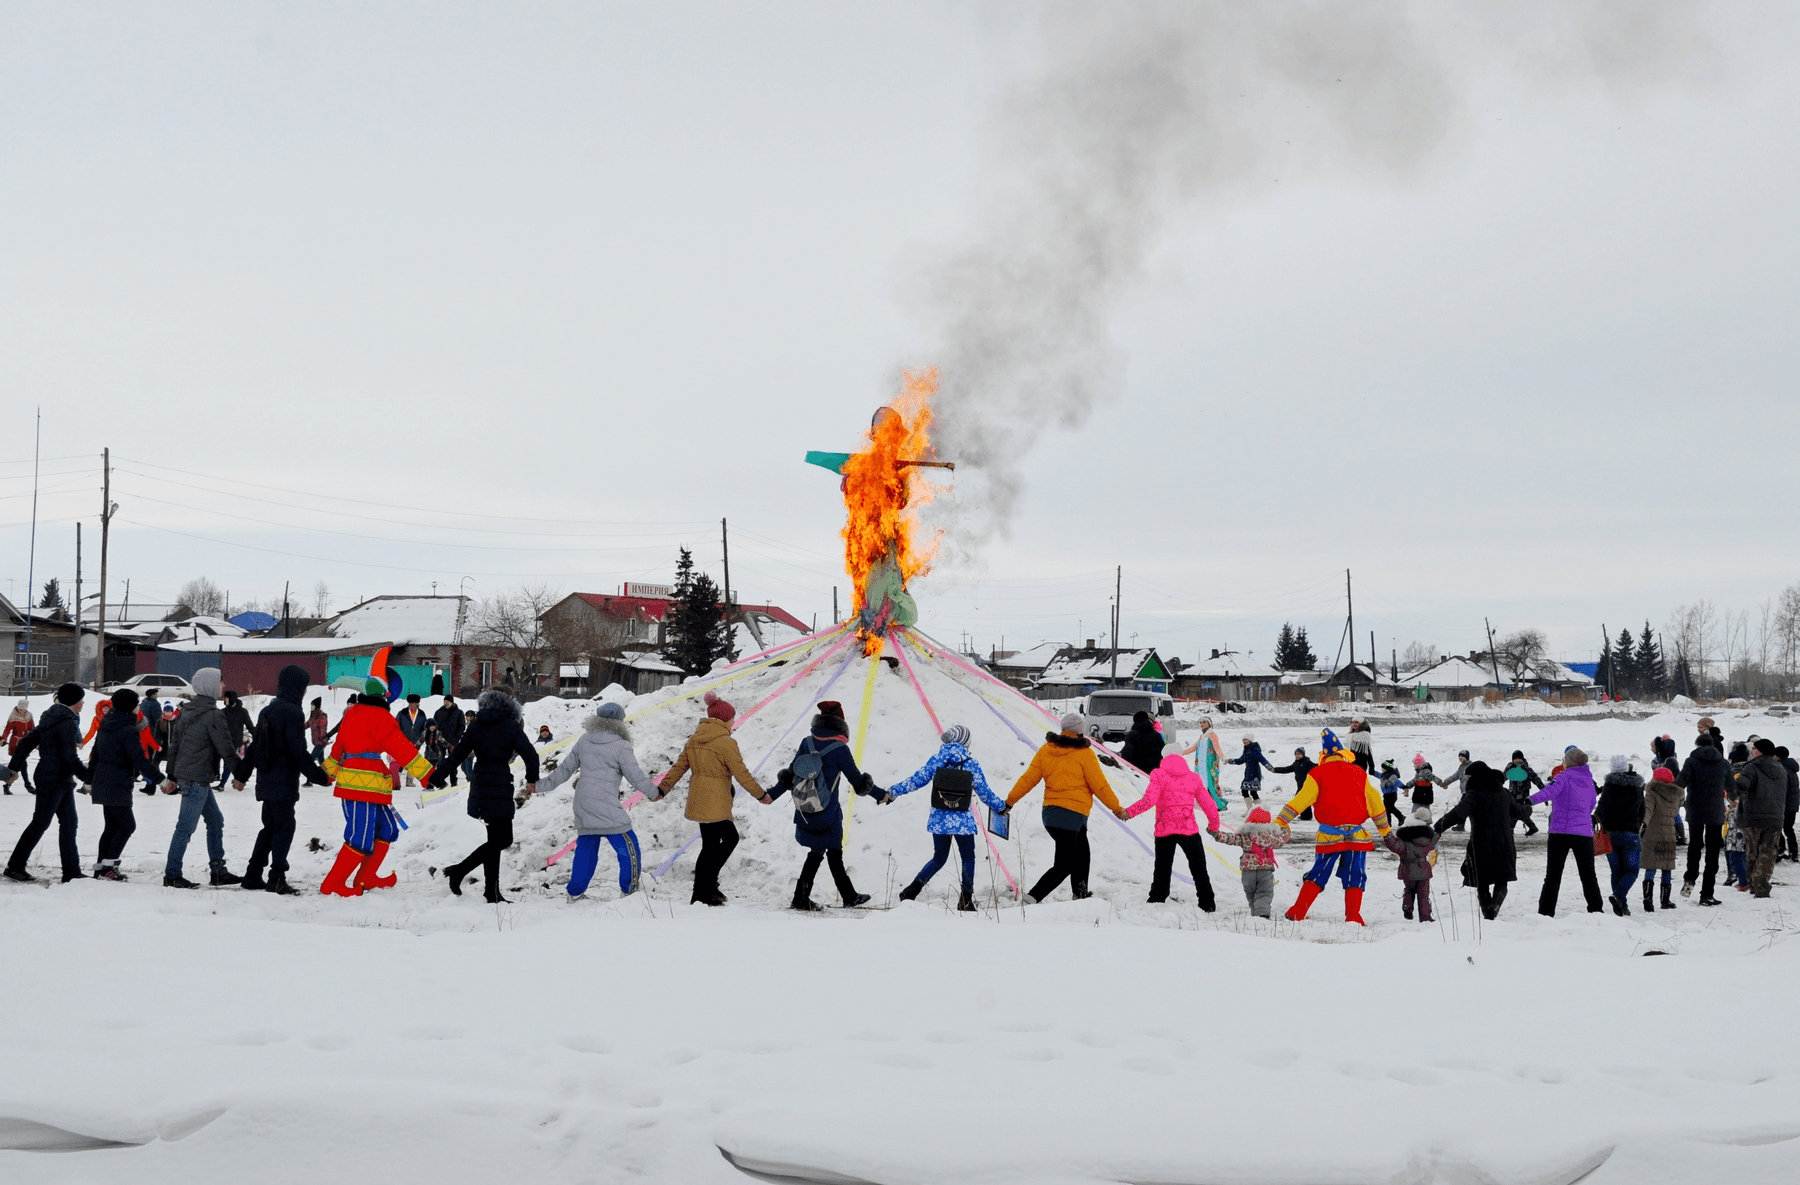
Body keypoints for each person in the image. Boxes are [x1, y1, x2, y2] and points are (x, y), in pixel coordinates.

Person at [320, 676, 435, 897]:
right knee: (360, 836)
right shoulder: (381, 717)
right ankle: (333, 883)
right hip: (359, 786)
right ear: (382, 696)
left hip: (371, 785)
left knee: (387, 828)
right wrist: (428, 774)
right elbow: (402, 749)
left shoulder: (351, 713)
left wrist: (328, 773)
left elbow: (338, 748)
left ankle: (366, 877)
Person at [653, 692, 769, 906]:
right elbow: (741, 773)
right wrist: (761, 795)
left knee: (710, 844)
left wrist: (663, 789)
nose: (733, 721)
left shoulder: (694, 739)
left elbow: (679, 767)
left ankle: (705, 889)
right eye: (732, 718)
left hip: (699, 798)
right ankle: (703, 890)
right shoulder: (726, 742)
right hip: (716, 800)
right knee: (727, 840)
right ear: (725, 719)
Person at [429, 687, 539, 904]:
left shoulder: (477, 724)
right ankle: (459, 871)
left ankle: (492, 892)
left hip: (480, 783)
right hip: (499, 782)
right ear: (509, 702)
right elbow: (530, 754)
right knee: (503, 839)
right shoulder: (511, 726)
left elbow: (458, 753)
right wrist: (531, 779)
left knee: (495, 840)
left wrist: (437, 776)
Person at [884, 724, 1009, 911]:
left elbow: (916, 779)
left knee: (939, 858)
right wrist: (1001, 807)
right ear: (965, 742)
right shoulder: (971, 763)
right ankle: (965, 900)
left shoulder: (937, 760)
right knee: (968, 857)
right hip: (962, 822)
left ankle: (911, 891)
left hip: (940, 818)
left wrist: (893, 792)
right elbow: (985, 794)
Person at [538, 702, 654, 900]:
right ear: (619, 722)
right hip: (606, 803)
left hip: (583, 802)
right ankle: (630, 892)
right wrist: (654, 792)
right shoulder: (622, 745)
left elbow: (564, 770)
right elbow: (635, 776)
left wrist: (538, 786)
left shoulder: (584, 740)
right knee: (628, 846)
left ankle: (574, 893)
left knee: (587, 847)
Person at [770, 701, 879, 910]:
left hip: (807, 807)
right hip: (827, 810)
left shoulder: (806, 743)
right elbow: (858, 782)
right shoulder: (840, 749)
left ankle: (845, 895)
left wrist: (771, 795)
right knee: (824, 851)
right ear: (840, 723)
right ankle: (807, 898)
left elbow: (791, 774)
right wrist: (881, 795)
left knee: (827, 850)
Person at [1005, 712, 1125, 903]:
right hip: (1072, 815)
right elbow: (1100, 785)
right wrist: (1117, 808)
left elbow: (1028, 779)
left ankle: (1080, 894)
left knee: (1082, 853)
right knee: (1064, 865)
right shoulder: (1084, 753)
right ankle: (1032, 898)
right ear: (1080, 730)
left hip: (1051, 815)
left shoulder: (1046, 750)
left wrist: (1010, 801)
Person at [232, 665, 330, 895]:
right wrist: (319, 776)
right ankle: (277, 877)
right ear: (298, 687)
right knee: (284, 828)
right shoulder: (293, 712)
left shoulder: (268, 709)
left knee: (269, 828)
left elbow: (255, 746)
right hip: (283, 781)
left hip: (266, 780)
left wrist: (242, 775)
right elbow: (297, 751)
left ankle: (253, 875)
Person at [1276, 730, 1392, 924]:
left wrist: (1280, 821)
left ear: (1324, 755)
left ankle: (1297, 911)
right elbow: (1376, 805)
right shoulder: (1359, 773)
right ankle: (1353, 916)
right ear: (1343, 754)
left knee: (1318, 873)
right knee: (1356, 874)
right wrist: (1386, 832)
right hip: (1357, 837)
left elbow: (1300, 801)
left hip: (1329, 836)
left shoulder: (1317, 774)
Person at [161, 668, 246, 890]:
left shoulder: (188, 710)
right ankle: (172, 875)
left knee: (216, 821)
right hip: (196, 778)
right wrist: (241, 774)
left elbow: (174, 746)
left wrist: (172, 774)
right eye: (220, 682)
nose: (223, 687)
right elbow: (226, 748)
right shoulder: (212, 714)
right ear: (209, 686)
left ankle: (218, 871)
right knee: (185, 828)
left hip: (195, 777)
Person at [4, 683, 91, 882]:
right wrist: (88, 778)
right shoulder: (66, 721)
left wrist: (14, 768)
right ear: (75, 702)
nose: (83, 703)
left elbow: (27, 741)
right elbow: (70, 757)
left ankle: (71, 872)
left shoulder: (51, 716)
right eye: (81, 699)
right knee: (41, 823)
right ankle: (15, 866)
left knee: (69, 823)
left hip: (57, 778)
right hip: (54, 778)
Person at [1121, 742, 1218, 909]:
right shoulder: (1193, 777)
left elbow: (1149, 800)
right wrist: (1214, 825)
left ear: (1164, 757)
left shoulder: (1158, 775)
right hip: (1188, 829)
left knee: (1162, 867)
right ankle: (1207, 902)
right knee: (1199, 867)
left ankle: (1157, 898)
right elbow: (1208, 803)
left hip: (1164, 829)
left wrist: (1129, 812)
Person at [86, 689, 167, 880]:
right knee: (126, 825)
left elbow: (95, 754)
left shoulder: (107, 723)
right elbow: (139, 760)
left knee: (112, 827)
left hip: (104, 780)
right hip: (117, 781)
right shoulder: (128, 730)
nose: (138, 707)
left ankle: (101, 867)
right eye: (136, 704)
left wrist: (89, 781)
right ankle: (108, 866)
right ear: (130, 707)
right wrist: (162, 781)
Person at [1433, 760, 1529, 919]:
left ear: (1475, 776)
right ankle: (1495, 904)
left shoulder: (1474, 794)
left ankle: (1487, 913)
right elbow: (1519, 812)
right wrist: (1528, 808)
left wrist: (1438, 827)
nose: (1467, 780)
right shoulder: (1504, 793)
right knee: (1502, 879)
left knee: (1482, 882)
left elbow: (1458, 814)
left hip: (1481, 844)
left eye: (1469, 776)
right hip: (1504, 843)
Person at [1529, 746, 1603, 916]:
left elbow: (1547, 793)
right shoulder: (1589, 781)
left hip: (1560, 833)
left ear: (1568, 762)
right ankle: (1596, 909)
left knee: (1553, 876)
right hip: (1583, 834)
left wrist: (1529, 800)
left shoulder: (1562, 778)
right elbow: (1591, 805)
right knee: (1588, 875)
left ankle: (1545, 913)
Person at [1676, 731, 1728, 905]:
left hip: (1695, 810)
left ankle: (1690, 879)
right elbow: (1732, 787)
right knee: (1712, 851)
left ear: (1697, 745)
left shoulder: (1691, 761)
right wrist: (1734, 798)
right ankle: (1707, 894)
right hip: (1715, 812)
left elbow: (1681, 782)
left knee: (1695, 846)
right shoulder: (1723, 763)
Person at [1208, 806, 1289, 917]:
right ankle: (1262, 913)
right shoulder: (1271, 837)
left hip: (1248, 871)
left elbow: (1231, 838)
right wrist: (1285, 830)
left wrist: (1216, 834)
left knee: (1251, 894)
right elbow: (1282, 839)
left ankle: (1255, 913)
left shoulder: (1245, 836)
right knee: (1264, 893)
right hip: (1265, 871)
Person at [1734, 737, 1787, 899]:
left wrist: (1732, 781)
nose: (1751, 751)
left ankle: (1755, 884)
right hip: (1775, 817)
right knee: (1768, 853)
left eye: (1754, 748)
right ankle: (1761, 885)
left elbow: (1743, 785)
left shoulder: (1751, 767)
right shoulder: (1781, 769)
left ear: (1759, 751)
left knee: (1753, 852)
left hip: (1754, 817)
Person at [1594, 754, 1645, 916]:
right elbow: (1642, 809)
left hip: (1611, 834)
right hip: (1630, 834)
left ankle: (1621, 904)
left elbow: (1602, 805)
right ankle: (1619, 895)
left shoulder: (1609, 785)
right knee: (1631, 871)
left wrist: (1595, 818)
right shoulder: (1637, 785)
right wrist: (1638, 825)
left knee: (1616, 871)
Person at [1639, 766, 1684, 911]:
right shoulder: (1676, 795)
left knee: (1651, 866)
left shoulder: (1651, 793)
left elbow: (1648, 811)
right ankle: (1665, 901)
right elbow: (1676, 812)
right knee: (1666, 867)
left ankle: (1648, 898)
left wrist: (1642, 825)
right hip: (1669, 834)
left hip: (1652, 833)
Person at [1382, 806, 1438, 922]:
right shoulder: (1427, 841)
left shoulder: (1403, 843)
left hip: (1408, 870)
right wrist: (1438, 832)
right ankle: (1425, 917)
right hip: (1423, 869)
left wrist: (1388, 836)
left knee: (1409, 889)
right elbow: (1434, 841)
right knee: (1423, 895)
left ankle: (1408, 907)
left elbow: (1394, 845)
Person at [1180, 718, 1228, 812]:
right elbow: (1194, 748)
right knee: (1201, 785)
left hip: (1209, 766)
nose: (1202, 724)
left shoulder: (1212, 735)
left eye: (1204, 722)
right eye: (1200, 722)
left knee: (1210, 785)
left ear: (1209, 724)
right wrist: (1180, 753)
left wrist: (1223, 758)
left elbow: (1217, 748)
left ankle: (1220, 805)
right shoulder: (1202, 736)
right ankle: (1206, 804)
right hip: (1201, 766)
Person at [1270, 747, 1319, 822]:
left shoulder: (1307, 762)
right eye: (1296, 754)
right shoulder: (1296, 764)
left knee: (1301, 800)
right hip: (1300, 786)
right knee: (1302, 800)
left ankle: (1306, 816)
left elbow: (1316, 766)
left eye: (1299, 754)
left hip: (1306, 785)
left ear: (1303, 754)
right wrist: (1275, 770)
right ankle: (1306, 816)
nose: (1297, 755)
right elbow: (1287, 769)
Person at [1502, 750, 1543, 835]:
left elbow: (1537, 780)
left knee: (1517, 812)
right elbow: (1502, 778)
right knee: (1518, 812)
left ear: (1523, 759)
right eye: (1515, 759)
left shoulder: (1527, 770)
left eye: (1520, 758)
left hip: (1523, 796)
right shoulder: (1510, 770)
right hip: (1512, 795)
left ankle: (1511, 829)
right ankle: (1532, 827)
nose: (1518, 760)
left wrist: (1543, 790)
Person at [1227, 732, 1273, 805]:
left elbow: (1262, 759)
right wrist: (1230, 761)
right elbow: (1241, 760)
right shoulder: (1246, 750)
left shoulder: (1254, 750)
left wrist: (1270, 768)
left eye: (1246, 740)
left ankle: (1259, 809)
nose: (1245, 741)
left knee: (1252, 792)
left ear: (1250, 740)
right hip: (1248, 774)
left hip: (1254, 774)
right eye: (1243, 740)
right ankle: (1251, 810)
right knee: (1246, 792)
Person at [395, 694, 429, 787]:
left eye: (413, 703)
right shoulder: (402, 713)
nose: (411, 705)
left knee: (412, 761)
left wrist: (421, 740)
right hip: (403, 741)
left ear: (417, 704)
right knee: (401, 761)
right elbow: (396, 726)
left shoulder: (422, 714)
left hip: (416, 742)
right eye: (410, 703)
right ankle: (396, 779)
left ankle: (409, 781)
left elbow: (424, 729)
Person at [1118, 711, 1163, 775]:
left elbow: (1127, 754)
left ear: (1135, 721)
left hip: (1137, 772)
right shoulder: (1157, 735)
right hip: (1155, 772)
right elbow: (1162, 753)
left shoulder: (1132, 735)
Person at [432, 695, 464, 784]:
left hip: (452, 742)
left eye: (448, 702)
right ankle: (439, 781)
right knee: (440, 762)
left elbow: (461, 726)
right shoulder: (438, 712)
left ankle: (453, 782)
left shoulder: (459, 713)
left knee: (453, 762)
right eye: (445, 701)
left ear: (452, 702)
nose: (446, 703)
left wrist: (457, 738)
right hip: (440, 742)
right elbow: (434, 726)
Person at [1439, 749, 1473, 832]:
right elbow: (1455, 776)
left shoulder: (1471, 766)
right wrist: (1445, 782)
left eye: (1463, 756)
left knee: (1465, 809)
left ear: (1467, 757)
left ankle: (1463, 825)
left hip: (1470, 791)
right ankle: (1461, 825)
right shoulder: (1461, 767)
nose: (1460, 758)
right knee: (1464, 809)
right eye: (1459, 756)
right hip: (1465, 792)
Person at [3, 700, 33, 793]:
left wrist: (35, 740)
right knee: (22, 764)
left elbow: (32, 729)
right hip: (15, 743)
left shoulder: (29, 715)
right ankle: (27, 785)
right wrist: (3, 739)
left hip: (25, 743)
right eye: (20, 709)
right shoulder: (13, 715)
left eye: (23, 710)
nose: (21, 711)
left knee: (16, 766)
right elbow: (7, 729)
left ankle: (7, 785)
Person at [1776, 745, 1799, 863]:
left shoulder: (1781, 768)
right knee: (1789, 829)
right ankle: (1794, 853)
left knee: (1777, 827)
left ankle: (1781, 849)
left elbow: (1782, 789)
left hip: (1783, 804)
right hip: (1792, 804)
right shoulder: (1791, 767)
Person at [1375, 759, 1406, 827]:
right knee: (1386, 809)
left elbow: (1396, 782)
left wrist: (1403, 787)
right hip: (1386, 795)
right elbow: (1378, 775)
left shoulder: (1391, 775)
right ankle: (1388, 823)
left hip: (1392, 795)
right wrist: (1372, 772)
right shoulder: (1384, 775)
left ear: (1387, 768)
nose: (1382, 769)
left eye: (1383, 768)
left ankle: (1401, 817)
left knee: (1389, 807)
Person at [307, 698, 330, 764]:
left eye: (313, 705)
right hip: (317, 742)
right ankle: (326, 773)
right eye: (311, 705)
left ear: (316, 706)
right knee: (321, 761)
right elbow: (307, 724)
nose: (311, 707)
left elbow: (323, 728)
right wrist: (298, 726)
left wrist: (324, 739)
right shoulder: (313, 716)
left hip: (321, 742)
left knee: (310, 760)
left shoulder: (322, 716)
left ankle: (314, 773)